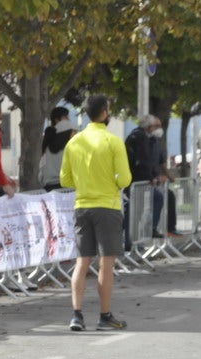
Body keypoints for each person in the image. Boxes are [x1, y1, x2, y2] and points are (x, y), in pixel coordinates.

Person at [60, 94, 131, 331]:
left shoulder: (74, 142)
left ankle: (77, 315)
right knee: (105, 264)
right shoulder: (113, 141)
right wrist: (110, 181)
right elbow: (126, 178)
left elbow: (64, 179)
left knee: (82, 262)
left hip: (82, 206)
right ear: (105, 111)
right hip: (107, 206)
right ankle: (104, 315)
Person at [124, 114, 168, 239]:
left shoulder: (149, 139)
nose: (159, 128)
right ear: (149, 127)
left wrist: (155, 176)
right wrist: (152, 178)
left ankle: (142, 234)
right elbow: (141, 161)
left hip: (143, 180)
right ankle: (128, 240)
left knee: (144, 206)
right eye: (156, 126)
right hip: (136, 180)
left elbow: (152, 161)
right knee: (134, 211)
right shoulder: (138, 137)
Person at [40, 106, 75, 191]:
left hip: (49, 187)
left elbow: (41, 169)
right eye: (66, 117)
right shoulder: (72, 136)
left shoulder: (47, 140)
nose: (68, 119)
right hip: (67, 187)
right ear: (57, 119)